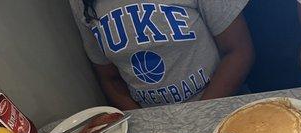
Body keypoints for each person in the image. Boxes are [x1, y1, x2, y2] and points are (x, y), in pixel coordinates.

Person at [69, 0, 254, 109]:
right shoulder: (81, 4)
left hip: (217, 103)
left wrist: (196, 114)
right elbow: (109, 78)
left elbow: (239, 52)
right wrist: (148, 124)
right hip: (153, 123)